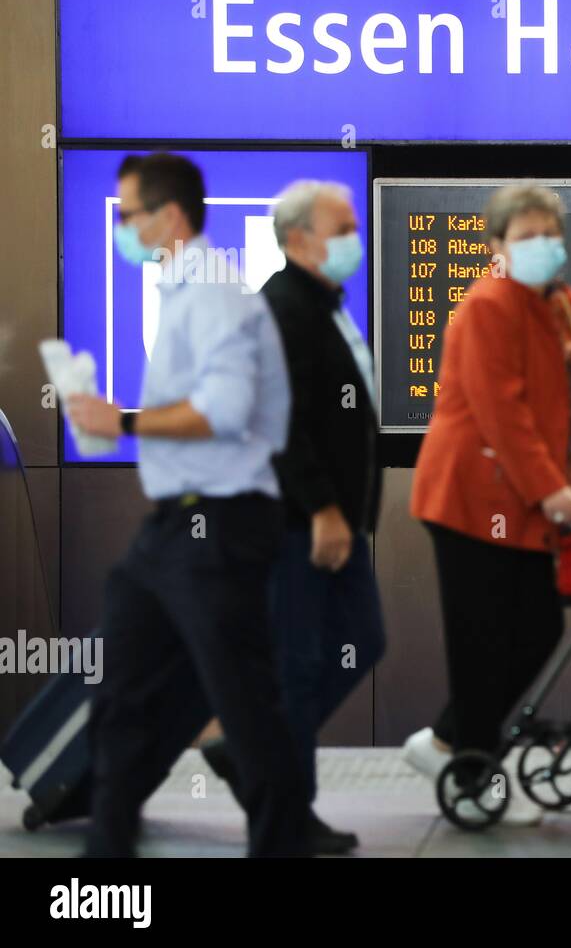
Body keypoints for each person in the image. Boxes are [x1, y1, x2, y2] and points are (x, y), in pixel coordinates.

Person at [67, 152, 310, 857]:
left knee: (244, 704)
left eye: (128, 214)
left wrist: (127, 422)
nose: (121, 226)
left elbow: (227, 409)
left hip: (222, 526)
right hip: (173, 527)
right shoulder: (182, 291)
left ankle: (281, 845)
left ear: (168, 217)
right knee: (120, 691)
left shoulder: (214, 296)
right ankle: (105, 868)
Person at [402, 183, 571, 824]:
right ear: (496, 246)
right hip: (472, 497)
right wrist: (551, 488)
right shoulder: (487, 306)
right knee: (480, 641)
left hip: (527, 501)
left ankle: (441, 744)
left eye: (549, 234)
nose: (541, 246)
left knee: (539, 629)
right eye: (525, 237)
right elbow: (503, 415)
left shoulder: (562, 304)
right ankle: (469, 764)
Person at [197, 181, 385, 855]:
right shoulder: (279, 310)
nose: (353, 238)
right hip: (297, 525)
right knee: (299, 665)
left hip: (335, 522)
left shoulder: (323, 306)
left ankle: (248, 752)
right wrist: (326, 511)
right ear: (300, 238)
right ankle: (284, 813)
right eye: (343, 226)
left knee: (359, 641)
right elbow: (278, 427)